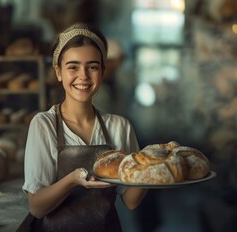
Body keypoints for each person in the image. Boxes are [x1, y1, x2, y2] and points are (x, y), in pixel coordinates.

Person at [20, 23, 147, 232]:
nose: (84, 76)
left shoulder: (119, 126)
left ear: (103, 71)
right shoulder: (44, 125)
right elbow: (36, 207)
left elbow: (131, 201)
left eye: (93, 67)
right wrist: (73, 180)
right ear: (58, 72)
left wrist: (150, 167)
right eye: (73, 67)